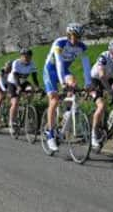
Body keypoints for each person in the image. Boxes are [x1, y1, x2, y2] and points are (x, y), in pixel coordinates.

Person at [42, 23, 91, 151]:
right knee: (54, 99)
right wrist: (63, 83)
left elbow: (86, 66)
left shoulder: (82, 47)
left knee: (74, 84)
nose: (75, 39)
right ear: (68, 35)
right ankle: (50, 135)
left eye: (77, 36)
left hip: (64, 70)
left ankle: (67, 114)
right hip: (51, 70)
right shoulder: (60, 43)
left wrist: (88, 84)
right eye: (73, 36)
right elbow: (58, 63)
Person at [7, 48, 39, 135]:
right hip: (13, 83)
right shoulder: (16, 63)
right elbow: (15, 75)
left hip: (23, 82)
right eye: (24, 57)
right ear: (21, 57)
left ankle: (28, 106)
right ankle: (11, 123)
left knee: (31, 89)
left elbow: (34, 77)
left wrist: (38, 87)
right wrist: (18, 87)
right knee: (15, 102)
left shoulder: (32, 64)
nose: (26, 59)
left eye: (29, 57)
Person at [0, 60, 12, 126]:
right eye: (8, 67)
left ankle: (6, 115)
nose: (9, 69)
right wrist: (4, 90)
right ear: (5, 66)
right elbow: (0, 82)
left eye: (10, 68)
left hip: (6, 84)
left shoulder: (12, 72)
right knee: (0, 97)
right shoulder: (1, 72)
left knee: (11, 97)